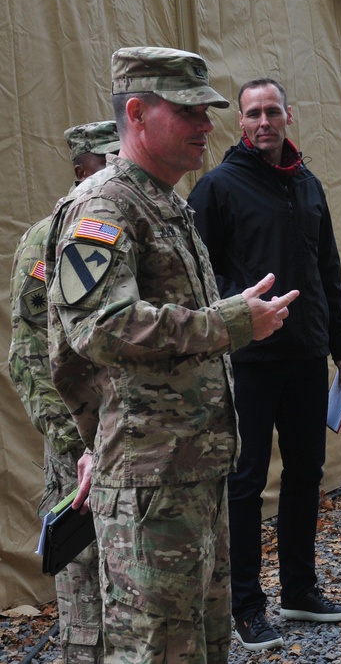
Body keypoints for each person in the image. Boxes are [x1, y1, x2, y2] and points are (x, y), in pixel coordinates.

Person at [45, 46, 298, 663]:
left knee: (202, 644)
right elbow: (98, 330)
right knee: (155, 648)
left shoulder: (166, 202)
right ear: (136, 113)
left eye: (208, 112)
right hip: (147, 482)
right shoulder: (104, 206)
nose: (207, 126)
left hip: (191, 473)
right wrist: (229, 323)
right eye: (189, 112)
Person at [188, 77, 341, 652]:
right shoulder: (217, 188)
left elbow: (326, 270)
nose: (263, 122)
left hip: (308, 356)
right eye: (252, 114)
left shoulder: (307, 184)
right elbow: (196, 275)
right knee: (245, 481)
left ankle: (299, 590)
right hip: (251, 359)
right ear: (240, 123)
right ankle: (245, 603)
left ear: (291, 115)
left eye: (272, 111)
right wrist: (230, 322)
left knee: (306, 473)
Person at [8, 120, 119, 662]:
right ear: (82, 170)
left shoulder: (130, 228)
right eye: (109, 160)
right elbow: (27, 356)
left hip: (134, 445)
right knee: (83, 594)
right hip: (80, 446)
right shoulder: (47, 241)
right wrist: (78, 444)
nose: (122, 169)